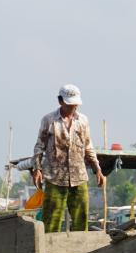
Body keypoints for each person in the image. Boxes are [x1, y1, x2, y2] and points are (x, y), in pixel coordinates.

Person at [32, 84, 104, 233]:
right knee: (51, 219)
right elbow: (40, 146)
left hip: (79, 176)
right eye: (69, 104)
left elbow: (88, 147)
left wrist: (97, 169)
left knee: (81, 219)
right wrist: (37, 168)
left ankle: (80, 252)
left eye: (75, 104)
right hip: (54, 177)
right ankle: (50, 251)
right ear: (60, 101)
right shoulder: (49, 120)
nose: (73, 107)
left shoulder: (83, 120)